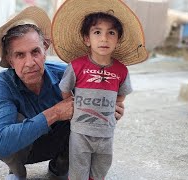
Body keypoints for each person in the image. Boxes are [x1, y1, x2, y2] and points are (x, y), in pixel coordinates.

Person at [0, 6, 125, 180]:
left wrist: (111, 109)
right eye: (20, 55)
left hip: (58, 143)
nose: (30, 62)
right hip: (23, 149)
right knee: (6, 130)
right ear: (10, 60)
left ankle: (60, 166)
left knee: (82, 110)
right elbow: (1, 144)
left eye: (35, 52)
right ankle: (17, 172)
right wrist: (55, 113)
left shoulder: (69, 74)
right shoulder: (3, 84)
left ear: (45, 49)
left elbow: (99, 105)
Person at [51, 0, 148, 179]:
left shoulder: (121, 70)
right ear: (87, 39)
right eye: (97, 32)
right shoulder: (76, 66)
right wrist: (74, 106)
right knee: (78, 171)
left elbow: (122, 95)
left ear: (118, 39)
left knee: (100, 169)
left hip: (106, 133)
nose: (104, 38)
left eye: (111, 32)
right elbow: (65, 92)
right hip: (80, 132)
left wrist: (116, 108)